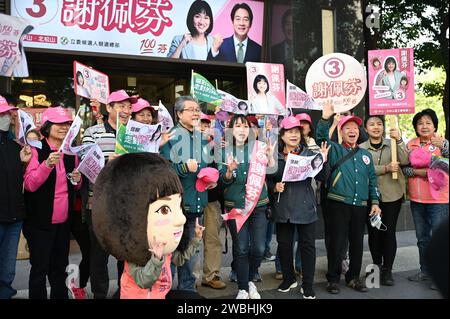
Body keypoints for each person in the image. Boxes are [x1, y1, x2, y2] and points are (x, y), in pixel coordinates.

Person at [92, 153, 205, 299]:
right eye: (164, 210)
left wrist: (195, 239)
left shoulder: (164, 249)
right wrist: (156, 259)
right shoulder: (137, 255)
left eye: (178, 206)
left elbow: (180, 259)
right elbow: (144, 281)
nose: (181, 219)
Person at [316, 101, 381, 294]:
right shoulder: (334, 149)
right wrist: (325, 119)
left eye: (355, 128)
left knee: (357, 243)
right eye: (347, 128)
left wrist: (375, 202)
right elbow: (320, 136)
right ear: (341, 132)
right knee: (337, 242)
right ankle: (333, 279)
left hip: (360, 206)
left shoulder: (365, 155)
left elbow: (372, 180)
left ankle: (353, 277)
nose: (352, 131)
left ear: (359, 132)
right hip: (338, 203)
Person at [81, 89, 137, 299]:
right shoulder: (92, 132)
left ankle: (124, 293)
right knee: (99, 255)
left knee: (126, 254)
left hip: (127, 205)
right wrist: (107, 163)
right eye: (121, 106)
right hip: (100, 205)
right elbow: (86, 166)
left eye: (129, 106)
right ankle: (99, 294)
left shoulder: (134, 134)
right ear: (109, 108)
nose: (126, 110)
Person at [23, 107, 82, 299]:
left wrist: (77, 179)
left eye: (67, 124)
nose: (64, 127)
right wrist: (46, 165)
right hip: (40, 222)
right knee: (39, 269)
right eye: (59, 124)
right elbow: (30, 185)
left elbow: (74, 185)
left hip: (63, 222)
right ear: (47, 127)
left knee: (60, 268)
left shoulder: (71, 153)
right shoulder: (36, 149)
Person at [267, 116, 329, 299]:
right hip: (282, 207)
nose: (293, 135)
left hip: (305, 207)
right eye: (289, 132)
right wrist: (273, 187)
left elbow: (323, 178)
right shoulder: (274, 154)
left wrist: (323, 161)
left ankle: (307, 285)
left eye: (296, 132)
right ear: (283, 135)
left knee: (307, 247)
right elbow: (266, 179)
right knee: (284, 246)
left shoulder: (308, 154)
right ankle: (289, 278)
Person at [218, 114, 276, 299]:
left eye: (245, 126)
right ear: (231, 130)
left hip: (259, 205)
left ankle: (250, 279)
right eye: (237, 126)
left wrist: (271, 158)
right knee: (241, 247)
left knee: (259, 248)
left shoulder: (259, 147)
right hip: (235, 207)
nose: (242, 130)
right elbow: (222, 181)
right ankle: (243, 287)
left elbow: (272, 172)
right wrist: (228, 172)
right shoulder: (224, 150)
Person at [160, 96, 212, 292]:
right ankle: (164, 291)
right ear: (179, 114)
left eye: (197, 109)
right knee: (172, 252)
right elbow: (164, 171)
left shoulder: (202, 137)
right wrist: (183, 167)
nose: (196, 113)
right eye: (191, 110)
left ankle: (187, 293)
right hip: (176, 206)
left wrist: (209, 179)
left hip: (197, 202)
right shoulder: (170, 137)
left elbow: (205, 166)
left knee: (192, 252)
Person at [359, 115, 409, 286]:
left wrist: (400, 140)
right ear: (366, 129)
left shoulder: (393, 144)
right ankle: (377, 266)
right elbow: (362, 169)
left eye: (379, 124)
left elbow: (406, 160)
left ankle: (388, 270)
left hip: (391, 195)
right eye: (371, 124)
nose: (376, 127)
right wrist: (385, 168)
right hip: (370, 198)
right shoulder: (360, 148)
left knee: (388, 233)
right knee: (374, 234)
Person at [402, 108, 449, 289]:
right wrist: (425, 171)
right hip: (417, 199)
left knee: (440, 239)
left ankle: (442, 275)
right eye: (420, 123)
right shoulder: (410, 144)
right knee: (422, 238)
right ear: (415, 126)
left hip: (439, 200)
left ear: (435, 125)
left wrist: (444, 146)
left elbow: (447, 167)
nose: (424, 126)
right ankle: (426, 271)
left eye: (428, 123)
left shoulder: (442, 143)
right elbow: (404, 169)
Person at [0, 96, 31, 299]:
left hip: (14, 217)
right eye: (2, 114)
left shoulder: (14, 145)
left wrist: (24, 163)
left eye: (7, 113)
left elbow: (16, 177)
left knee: (8, 265)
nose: (7, 117)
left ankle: (5, 291)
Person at [271, 9, 294, 80]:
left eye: (293, 24)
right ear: (282, 27)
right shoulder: (273, 50)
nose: (291, 28)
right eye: (288, 24)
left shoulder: (305, 51)